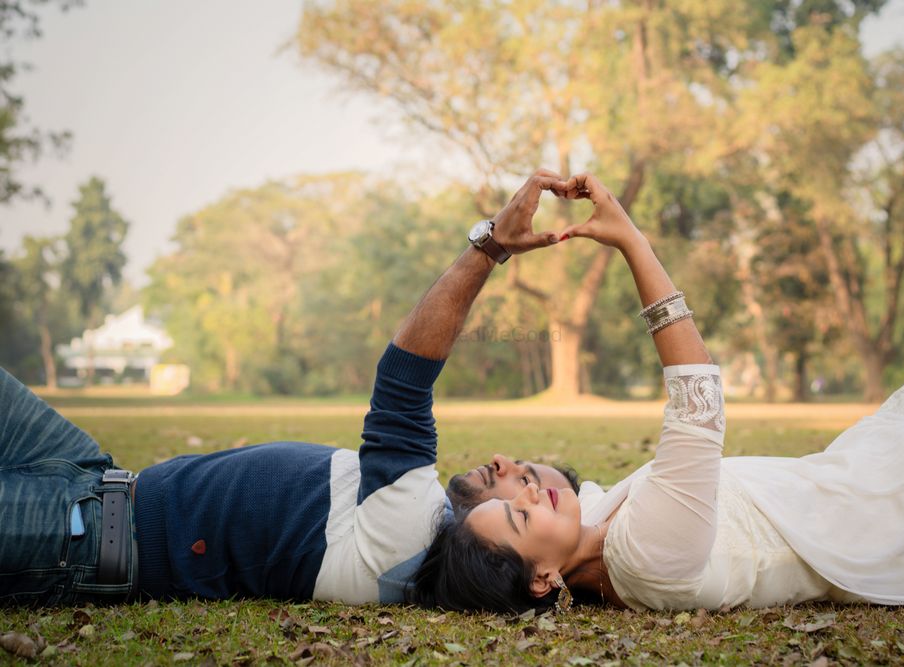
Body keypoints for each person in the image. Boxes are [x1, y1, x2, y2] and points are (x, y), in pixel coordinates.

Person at [411, 172, 904, 614]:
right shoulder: (646, 562)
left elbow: (556, 494)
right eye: (520, 514)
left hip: (849, 479)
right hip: (889, 510)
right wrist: (633, 244)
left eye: (522, 495)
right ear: (542, 579)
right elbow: (698, 406)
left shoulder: (592, 524)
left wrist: (496, 241)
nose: (534, 492)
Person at [0, 170, 581, 607]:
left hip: (77, 532)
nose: (523, 491)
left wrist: (491, 246)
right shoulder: (422, 531)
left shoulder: (408, 528)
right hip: (90, 475)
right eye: (526, 489)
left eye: (520, 512)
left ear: (540, 577)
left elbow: (405, 375)